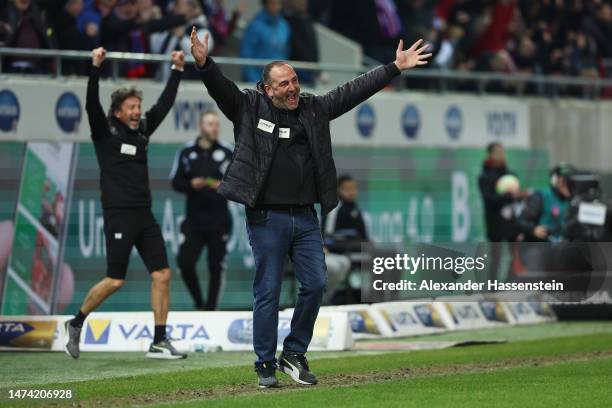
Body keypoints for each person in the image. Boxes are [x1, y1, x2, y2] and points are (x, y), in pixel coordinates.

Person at [190, 27, 431, 387]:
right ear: (267, 89)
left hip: (305, 217)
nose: (292, 88)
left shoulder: (314, 109)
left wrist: (393, 68)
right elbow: (220, 89)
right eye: (284, 84)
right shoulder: (248, 107)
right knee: (267, 291)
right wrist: (205, 64)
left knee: (316, 283)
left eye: (295, 81)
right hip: (266, 217)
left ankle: (294, 352)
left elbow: (351, 92)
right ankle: (264, 364)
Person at [63, 47, 186, 360]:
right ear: (117, 111)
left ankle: (159, 341)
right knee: (115, 279)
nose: (137, 111)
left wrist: (177, 70)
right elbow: (91, 104)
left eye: (138, 107)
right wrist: (95, 67)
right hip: (118, 215)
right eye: (131, 107)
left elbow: (164, 104)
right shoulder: (105, 134)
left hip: (145, 215)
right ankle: (76, 322)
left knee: (162, 274)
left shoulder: (142, 131)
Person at [170, 111, 233, 311]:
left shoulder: (227, 151)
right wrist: (191, 184)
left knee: (216, 266)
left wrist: (221, 186)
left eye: (216, 124)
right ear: (200, 126)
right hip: (194, 220)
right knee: (184, 263)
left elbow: (239, 182)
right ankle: (199, 303)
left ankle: (211, 309)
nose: (214, 128)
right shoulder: (187, 151)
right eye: (210, 124)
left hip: (219, 219)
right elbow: (175, 181)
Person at [478, 142, 523, 281]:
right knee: (495, 258)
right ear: (490, 154)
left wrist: (519, 196)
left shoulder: (510, 175)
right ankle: (492, 289)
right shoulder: (484, 177)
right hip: (495, 223)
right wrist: (509, 195)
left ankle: (509, 284)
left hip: (511, 222)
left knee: (515, 256)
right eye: (497, 152)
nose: (500, 155)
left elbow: (517, 197)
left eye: (502, 152)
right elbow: (490, 199)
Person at [239, 0, 290, 83]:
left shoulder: (284, 26)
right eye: (273, 3)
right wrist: (256, 83)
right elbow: (246, 57)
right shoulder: (254, 26)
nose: (277, 6)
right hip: (259, 82)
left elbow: (286, 54)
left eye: (279, 3)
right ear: (265, 4)